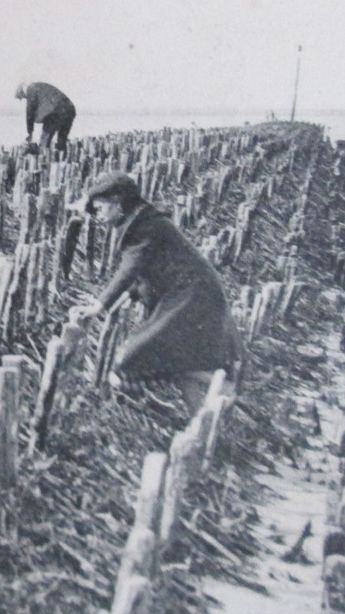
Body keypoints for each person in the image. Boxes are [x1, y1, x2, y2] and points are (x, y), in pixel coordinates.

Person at [75, 171, 241, 394]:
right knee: (174, 358)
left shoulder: (143, 226)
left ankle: (223, 387)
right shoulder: (143, 220)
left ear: (117, 202)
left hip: (190, 293)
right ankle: (212, 399)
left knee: (136, 355)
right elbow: (147, 269)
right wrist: (129, 294)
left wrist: (99, 305)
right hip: (190, 290)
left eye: (100, 208)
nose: (99, 216)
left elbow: (129, 270)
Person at [15, 81, 76, 152]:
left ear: (23, 91)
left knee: (44, 142)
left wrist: (30, 132)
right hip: (70, 109)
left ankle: (44, 158)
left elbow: (30, 112)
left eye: (23, 96)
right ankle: (61, 157)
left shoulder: (31, 89)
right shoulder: (40, 88)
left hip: (56, 113)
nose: (25, 98)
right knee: (61, 140)